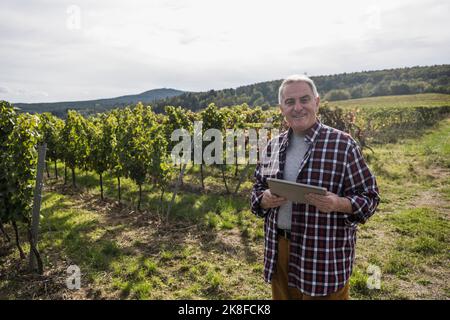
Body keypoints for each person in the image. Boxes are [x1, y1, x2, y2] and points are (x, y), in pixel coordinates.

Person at [251, 74, 380, 300]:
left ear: (317, 102)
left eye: (304, 99)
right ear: (281, 107)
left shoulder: (342, 144)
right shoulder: (273, 145)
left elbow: (370, 197)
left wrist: (339, 203)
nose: (297, 107)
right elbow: (257, 189)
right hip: (280, 249)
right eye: (290, 102)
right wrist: (263, 199)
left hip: (323, 255)